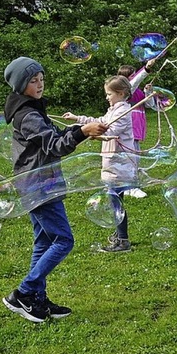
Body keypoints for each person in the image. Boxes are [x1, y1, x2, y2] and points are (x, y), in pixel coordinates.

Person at [2, 56, 108, 323]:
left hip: (40, 182)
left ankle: (36, 298)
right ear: (21, 85)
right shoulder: (27, 115)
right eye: (33, 81)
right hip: (38, 184)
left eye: (41, 79)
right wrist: (82, 131)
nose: (39, 84)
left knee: (44, 241)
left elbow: (58, 135)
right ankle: (24, 293)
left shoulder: (32, 109)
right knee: (64, 240)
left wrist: (82, 131)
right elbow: (55, 146)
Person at [63, 75, 136, 253]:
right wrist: (77, 119)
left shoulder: (123, 112)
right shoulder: (114, 109)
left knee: (115, 200)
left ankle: (123, 240)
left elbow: (111, 131)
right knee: (115, 200)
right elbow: (100, 122)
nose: (106, 97)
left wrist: (93, 134)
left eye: (109, 94)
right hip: (113, 161)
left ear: (120, 93)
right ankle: (120, 235)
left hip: (120, 163)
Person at [117, 58, 156, 198]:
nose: (135, 77)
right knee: (130, 159)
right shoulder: (124, 92)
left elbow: (150, 105)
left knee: (135, 159)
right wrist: (145, 69)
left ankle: (130, 185)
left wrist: (147, 92)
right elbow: (132, 84)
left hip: (137, 131)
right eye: (132, 75)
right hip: (128, 131)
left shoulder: (137, 92)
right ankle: (130, 188)